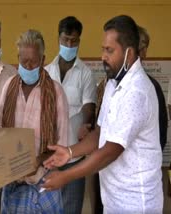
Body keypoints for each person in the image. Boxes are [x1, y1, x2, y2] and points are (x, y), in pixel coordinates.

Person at [42, 15, 163, 213]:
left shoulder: (137, 91)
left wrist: (65, 176)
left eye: (109, 50)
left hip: (137, 204)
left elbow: (109, 152)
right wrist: (70, 152)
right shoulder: (113, 83)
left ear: (129, 53)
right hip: (113, 200)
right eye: (103, 49)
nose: (103, 56)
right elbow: (99, 133)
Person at [0, 29, 69, 213]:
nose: (27, 67)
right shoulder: (9, 87)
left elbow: (63, 144)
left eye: (33, 62)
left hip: (44, 181)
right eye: (23, 61)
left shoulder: (56, 92)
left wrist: (38, 161)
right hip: (12, 182)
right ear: (18, 57)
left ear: (43, 60)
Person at [44, 16, 96, 214]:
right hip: (49, 157)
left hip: (75, 155)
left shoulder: (86, 74)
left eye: (74, 40)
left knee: (71, 209)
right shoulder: (46, 72)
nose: (69, 44)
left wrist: (86, 123)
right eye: (66, 39)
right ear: (58, 39)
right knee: (48, 207)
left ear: (79, 41)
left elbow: (88, 105)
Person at [138, 25, 168, 151]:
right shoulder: (108, 84)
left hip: (142, 166)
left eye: (144, 48)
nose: (143, 53)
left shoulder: (152, 86)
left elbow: (161, 130)